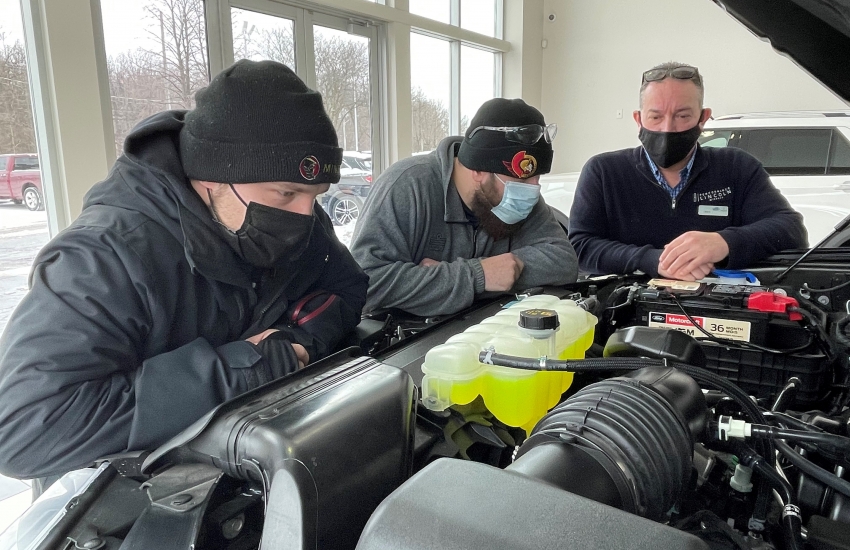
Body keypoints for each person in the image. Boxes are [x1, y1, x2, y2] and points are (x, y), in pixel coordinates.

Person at [0, 60, 368, 482]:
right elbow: (25, 430)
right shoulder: (104, 258)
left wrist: (294, 342)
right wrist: (250, 368)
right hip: (131, 500)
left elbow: (348, 288)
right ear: (213, 178)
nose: (307, 214)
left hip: (254, 471)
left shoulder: (296, 221)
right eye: (286, 193)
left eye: (316, 195)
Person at [568, 62, 808, 281]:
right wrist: (653, 260)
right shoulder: (604, 172)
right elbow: (580, 247)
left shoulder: (737, 168)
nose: (668, 128)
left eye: (682, 116)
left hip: (716, 304)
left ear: (703, 118)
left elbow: (791, 229)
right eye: (656, 116)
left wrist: (723, 242)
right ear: (638, 119)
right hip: (626, 307)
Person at [349, 98, 579, 317]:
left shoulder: (523, 199)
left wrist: (509, 269)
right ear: (477, 169)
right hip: (411, 339)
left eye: (537, 177)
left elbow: (564, 262)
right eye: (522, 179)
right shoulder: (407, 186)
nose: (533, 189)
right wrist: (478, 276)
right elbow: (365, 284)